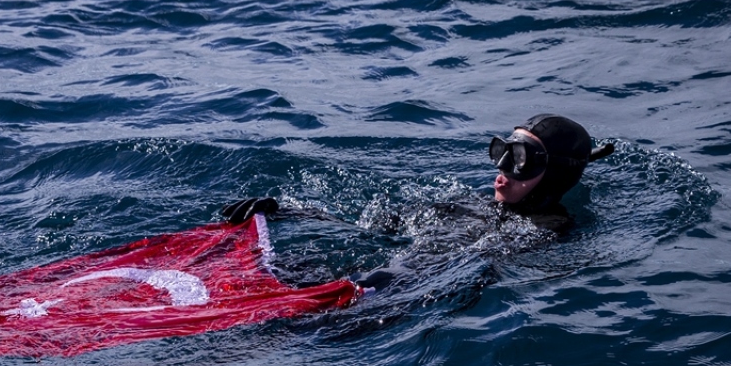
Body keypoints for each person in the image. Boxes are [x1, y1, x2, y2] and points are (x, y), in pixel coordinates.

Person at [220, 114, 613, 292]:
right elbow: (370, 227)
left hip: (393, 296)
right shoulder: (470, 203)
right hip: (373, 277)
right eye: (503, 153)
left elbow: (476, 263)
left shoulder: (549, 228)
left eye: (522, 162)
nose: (502, 171)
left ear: (556, 175)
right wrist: (287, 210)